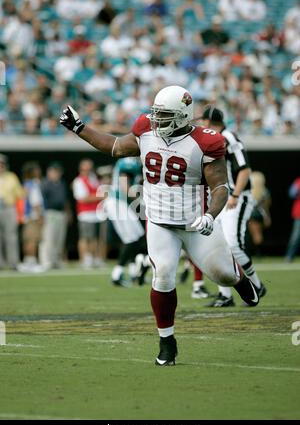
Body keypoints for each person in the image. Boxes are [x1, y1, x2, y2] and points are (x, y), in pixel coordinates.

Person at [60, 85, 260, 366]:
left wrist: (210, 216)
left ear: (183, 116)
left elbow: (220, 187)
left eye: (165, 115)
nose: (157, 120)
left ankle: (240, 279)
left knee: (223, 276)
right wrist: (79, 127)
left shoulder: (206, 141)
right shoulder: (146, 129)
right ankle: (167, 342)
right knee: (163, 274)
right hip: (159, 222)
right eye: (156, 114)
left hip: (194, 221)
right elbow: (115, 146)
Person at [199, 106, 266, 307]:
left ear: (209, 122)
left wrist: (235, 194)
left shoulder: (228, 137)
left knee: (234, 245)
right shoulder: (216, 138)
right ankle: (225, 295)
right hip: (221, 199)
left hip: (236, 197)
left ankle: (256, 285)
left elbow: (244, 169)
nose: (201, 125)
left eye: (203, 121)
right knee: (217, 247)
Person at [104, 157, 146, 286]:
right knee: (132, 238)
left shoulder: (133, 162)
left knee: (137, 235)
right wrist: (142, 200)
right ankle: (116, 275)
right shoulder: (129, 162)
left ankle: (134, 273)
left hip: (121, 203)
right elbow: (124, 186)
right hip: (117, 202)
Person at [72, 159, 105, 269]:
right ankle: (85, 259)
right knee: (85, 238)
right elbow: (82, 199)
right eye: (86, 168)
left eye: (89, 168)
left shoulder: (93, 179)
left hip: (96, 213)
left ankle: (93, 258)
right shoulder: (78, 181)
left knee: (94, 238)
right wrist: (100, 197)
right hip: (85, 214)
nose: (88, 170)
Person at [39, 163, 69, 269]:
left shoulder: (61, 183)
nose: (56, 173)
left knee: (59, 239)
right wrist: (41, 215)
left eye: (58, 171)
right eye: (54, 171)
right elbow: (40, 201)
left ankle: (56, 261)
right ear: (49, 172)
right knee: (48, 238)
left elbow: (65, 200)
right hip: (49, 212)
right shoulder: (45, 184)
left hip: (60, 213)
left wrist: (68, 212)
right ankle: (46, 261)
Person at [18, 161, 44, 273]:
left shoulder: (25, 184)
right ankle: (32, 263)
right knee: (32, 240)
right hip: (33, 216)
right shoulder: (33, 184)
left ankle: (27, 262)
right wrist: (39, 216)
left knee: (28, 240)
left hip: (27, 216)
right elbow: (35, 202)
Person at [0, 154, 24, 270]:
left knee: (11, 236)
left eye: (2, 164)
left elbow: (19, 194)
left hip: (9, 208)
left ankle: (13, 262)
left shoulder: (11, 177)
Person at [248, 171, 271, 256]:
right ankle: (258, 253)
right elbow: (267, 205)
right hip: (261, 214)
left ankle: (257, 254)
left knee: (255, 234)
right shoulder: (265, 191)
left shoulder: (249, 191)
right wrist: (267, 217)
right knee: (258, 234)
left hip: (251, 214)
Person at [285, 177, 300, 262]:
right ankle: (289, 256)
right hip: (299, 213)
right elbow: (291, 193)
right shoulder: (298, 181)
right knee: (295, 236)